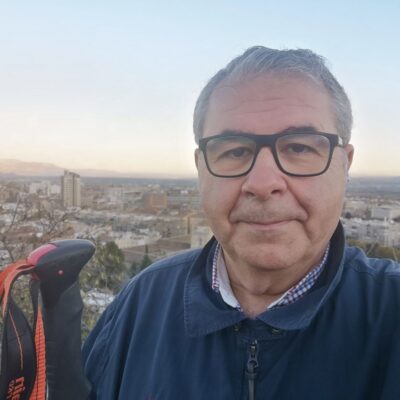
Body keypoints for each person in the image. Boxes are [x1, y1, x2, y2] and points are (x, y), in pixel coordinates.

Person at [82, 46, 400, 399]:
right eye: (234, 151)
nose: (263, 183)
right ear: (201, 168)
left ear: (345, 165)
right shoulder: (142, 304)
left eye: (299, 148)